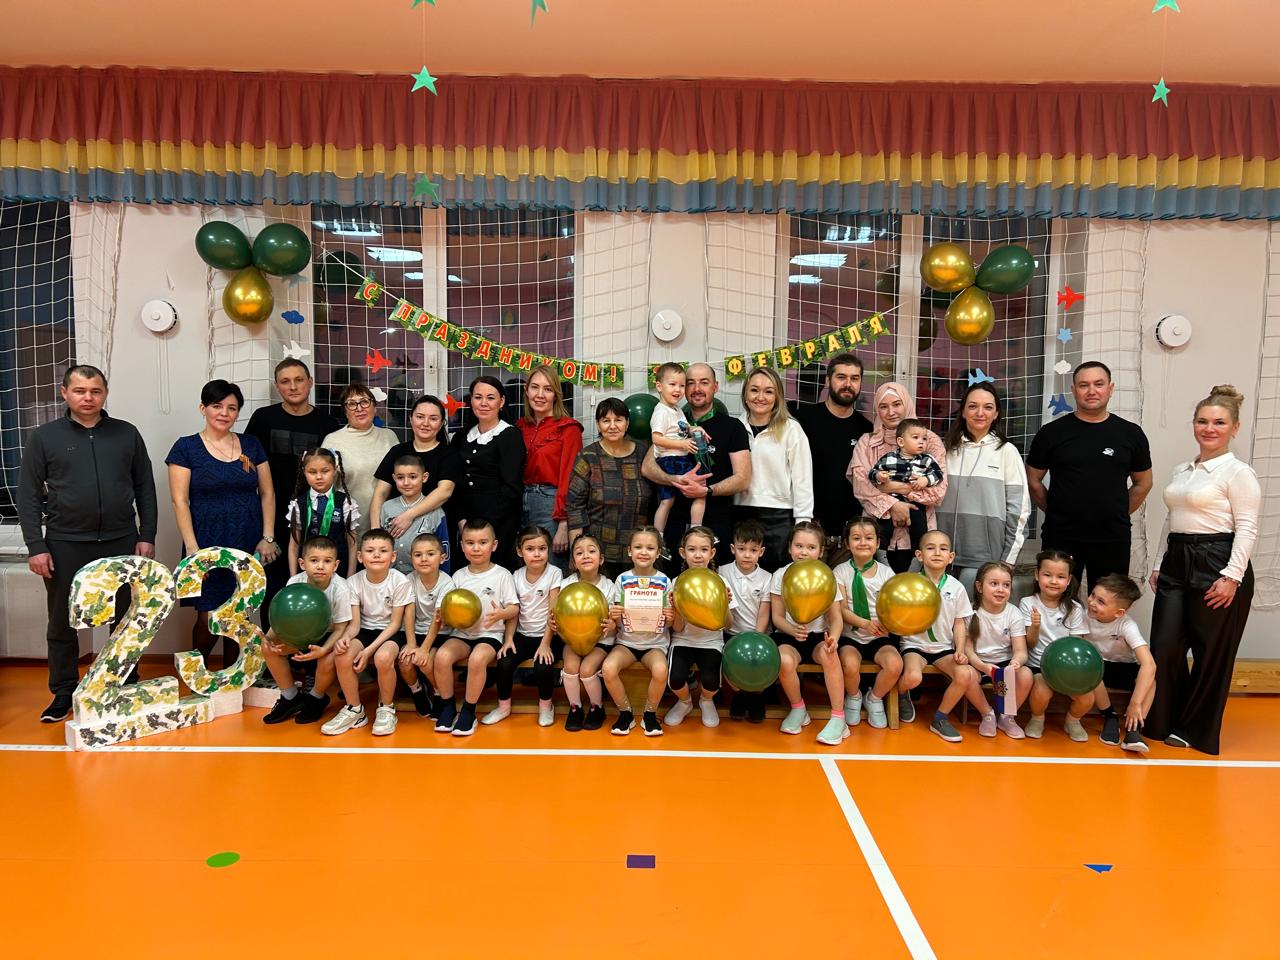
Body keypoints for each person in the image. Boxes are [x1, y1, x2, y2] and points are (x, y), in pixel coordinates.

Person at [18, 365, 159, 723]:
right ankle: (63, 692)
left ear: (105, 393)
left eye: (95, 391)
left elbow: (144, 486)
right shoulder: (44, 437)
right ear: (64, 393)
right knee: (62, 622)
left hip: (121, 540)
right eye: (80, 390)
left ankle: (122, 684)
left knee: (126, 619)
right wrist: (36, 546)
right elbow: (29, 495)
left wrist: (147, 535)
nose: (87, 397)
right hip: (65, 543)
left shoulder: (126, 433)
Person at [1146, 385, 1259, 755]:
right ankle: (1162, 719)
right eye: (1202, 421)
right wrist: (1160, 563)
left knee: (1210, 654)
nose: (1209, 428)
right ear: (1194, 424)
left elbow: (1247, 527)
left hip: (1218, 561)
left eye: (1219, 422)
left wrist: (1232, 577)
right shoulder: (1183, 470)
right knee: (1165, 645)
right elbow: (1172, 519)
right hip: (1177, 560)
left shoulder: (1238, 473)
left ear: (1234, 428)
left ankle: (1194, 730)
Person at [166, 380, 278, 667]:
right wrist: (192, 548)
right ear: (203, 408)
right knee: (208, 615)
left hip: (246, 539)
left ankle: (233, 679)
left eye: (232, 408)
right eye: (217, 406)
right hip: (205, 542)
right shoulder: (186, 447)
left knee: (239, 614)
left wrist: (267, 537)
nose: (224, 413)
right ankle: (198, 675)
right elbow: (180, 501)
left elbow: (267, 493)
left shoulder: (251, 444)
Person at [1026, 361, 1153, 590]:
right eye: (1084, 385)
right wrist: (1055, 510)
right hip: (1061, 536)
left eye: (1099, 384)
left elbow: (1143, 483)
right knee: (1055, 602)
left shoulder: (1131, 434)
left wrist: (1116, 512)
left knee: (1109, 602)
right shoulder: (1051, 433)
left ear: (1110, 388)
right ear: (1074, 390)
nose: (1091, 391)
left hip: (1112, 537)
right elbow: (1033, 480)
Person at [244, 359, 340, 630]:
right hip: (272, 517)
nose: (293, 386)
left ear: (310, 383)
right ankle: (273, 648)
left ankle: (311, 649)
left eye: (299, 380)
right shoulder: (263, 419)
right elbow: (247, 464)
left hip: (313, 517)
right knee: (273, 585)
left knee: (316, 582)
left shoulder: (327, 423)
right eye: (285, 381)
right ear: (277, 387)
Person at [641, 363, 751, 566]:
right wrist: (676, 480)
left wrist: (706, 491)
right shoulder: (672, 421)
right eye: (690, 383)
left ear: (715, 387)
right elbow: (647, 467)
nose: (697, 388)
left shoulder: (732, 427)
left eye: (704, 382)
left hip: (715, 524)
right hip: (673, 524)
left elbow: (742, 479)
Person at [426, 518, 519, 737]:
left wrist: (502, 613)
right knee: (441, 657)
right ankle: (448, 707)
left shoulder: (502, 575)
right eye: (470, 543)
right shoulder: (458, 576)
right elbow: (448, 607)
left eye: (482, 542)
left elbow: (514, 608)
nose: (476, 548)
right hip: (461, 633)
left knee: (477, 659)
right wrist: (445, 615)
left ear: (494, 545)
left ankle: (468, 711)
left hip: (490, 634)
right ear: (462, 546)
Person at [937, 383, 1031, 592]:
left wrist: (1007, 560)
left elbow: (1019, 512)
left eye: (988, 407)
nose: (980, 413)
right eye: (973, 406)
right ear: (963, 411)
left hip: (984, 558)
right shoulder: (945, 449)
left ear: (996, 414)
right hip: (940, 554)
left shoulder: (1007, 452)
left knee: (972, 611)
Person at [321, 528, 414, 737]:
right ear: (360, 556)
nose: (377, 555)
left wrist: (368, 651)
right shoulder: (353, 582)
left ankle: (386, 708)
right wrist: (345, 639)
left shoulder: (400, 581)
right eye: (370, 551)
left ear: (393, 556)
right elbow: (354, 626)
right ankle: (355, 710)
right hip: (364, 629)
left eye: (383, 551)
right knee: (342, 655)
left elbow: (395, 624)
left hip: (391, 632)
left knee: (383, 657)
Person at [849, 382, 948, 573]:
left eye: (896, 404)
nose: (891, 412)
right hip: (874, 537)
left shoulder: (930, 441)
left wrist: (892, 488)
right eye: (883, 406)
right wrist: (893, 505)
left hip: (918, 538)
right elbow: (861, 486)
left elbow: (938, 491)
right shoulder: (867, 442)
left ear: (907, 404)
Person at [260, 535, 355, 726]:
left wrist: (324, 650)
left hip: (328, 636)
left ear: (335, 565)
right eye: (314, 560)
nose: (320, 566)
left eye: (327, 561)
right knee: (268, 648)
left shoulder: (341, 589)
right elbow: (283, 617)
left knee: (329, 659)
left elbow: (340, 628)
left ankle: (316, 697)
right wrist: (268, 638)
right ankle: (290, 697)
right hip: (301, 633)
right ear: (302, 564)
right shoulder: (295, 582)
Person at [769, 520, 848, 745]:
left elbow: (836, 618)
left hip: (818, 636)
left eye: (811, 547)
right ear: (790, 548)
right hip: (789, 635)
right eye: (799, 546)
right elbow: (777, 617)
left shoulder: (828, 576)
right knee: (784, 660)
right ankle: (798, 708)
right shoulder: (780, 575)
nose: (804, 552)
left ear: (821, 551)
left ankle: (838, 718)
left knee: (830, 655)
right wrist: (792, 629)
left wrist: (833, 638)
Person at [898, 530, 978, 743]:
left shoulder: (956, 587)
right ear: (919, 555)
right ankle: (901, 694)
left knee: (964, 674)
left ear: (951, 557)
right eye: (930, 548)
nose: (937, 553)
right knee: (913, 677)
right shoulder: (910, 584)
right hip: (915, 644)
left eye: (943, 549)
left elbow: (959, 623)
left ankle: (940, 718)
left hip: (943, 647)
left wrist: (959, 650)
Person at [793, 353, 874, 559]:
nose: (848, 384)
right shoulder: (803, 421)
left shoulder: (866, 430)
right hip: (809, 530)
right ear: (828, 380)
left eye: (854, 378)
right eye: (841, 377)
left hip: (850, 536)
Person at [735, 367, 815, 570]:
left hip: (779, 517)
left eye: (769, 391)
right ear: (745, 394)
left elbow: (803, 479)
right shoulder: (734, 427)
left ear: (777, 397)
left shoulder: (792, 429)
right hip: (740, 513)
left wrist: (802, 524)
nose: (760, 397)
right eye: (754, 390)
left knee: (776, 579)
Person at [566, 398, 654, 578]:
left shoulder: (644, 453)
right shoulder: (588, 456)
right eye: (606, 420)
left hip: (639, 553)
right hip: (597, 555)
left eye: (618, 420)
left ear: (627, 423)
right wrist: (576, 552)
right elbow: (574, 507)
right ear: (598, 425)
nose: (612, 426)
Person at [486, 525, 563, 728]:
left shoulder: (554, 573)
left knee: (542, 666)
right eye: (530, 549)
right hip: (522, 635)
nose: (537, 554)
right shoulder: (516, 575)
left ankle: (546, 706)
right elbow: (514, 611)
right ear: (520, 552)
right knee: (504, 662)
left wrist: (545, 644)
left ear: (548, 550)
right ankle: (503, 707)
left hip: (549, 636)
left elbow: (553, 613)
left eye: (542, 548)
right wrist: (509, 639)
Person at [371, 395, 459, 570]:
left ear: (442, 423)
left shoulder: (449, 454)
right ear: (411, 419)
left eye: (433, 418)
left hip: (432, 535)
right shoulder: (397, 451)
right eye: (420, 417)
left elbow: (445, 491)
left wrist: (408, 516)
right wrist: (376, 533)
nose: (425, 423)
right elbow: (380, 493)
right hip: (397, 538)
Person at [450, 376, 526, 570]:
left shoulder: (510, 435)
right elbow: (456, 481)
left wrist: (486, 528)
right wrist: (462, 520)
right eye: (478, 397)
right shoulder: (461, 436)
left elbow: (512, 488)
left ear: (501, 402)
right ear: (471, 401)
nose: (483, 403)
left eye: (490, 398)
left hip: (499, 522)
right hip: (466, 521)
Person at [604, 526, 673, 736]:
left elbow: (670, 623)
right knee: (608, 668)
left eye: (650, 548)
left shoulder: (665, 581)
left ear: (658, 553)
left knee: (660, 670)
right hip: (626, 643)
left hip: (655, 644)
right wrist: (614, 615)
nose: (644, 552)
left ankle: (649, 714)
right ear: (629, 551)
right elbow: (616, 623)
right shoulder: (621, 580)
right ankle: (625, 713)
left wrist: (671, 617)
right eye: (638, 547)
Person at [834, 518, 901, 730]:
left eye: (869, 538)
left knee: (895, 664)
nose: (863, 542)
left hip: (879, 636)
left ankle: (874, 698)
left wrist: (887, 624)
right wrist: (865, 624)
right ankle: (854, 695)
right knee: (849, 664)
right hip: (851, 636)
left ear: (878, 543)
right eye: (856, 538)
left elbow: (895, 608)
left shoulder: (887, 573)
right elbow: (841, 609)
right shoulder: (840, 572)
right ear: (847, 544)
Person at [517, 365, 583, 571]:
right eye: (535, 387)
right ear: (526, 390)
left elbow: (569, 478)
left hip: (551, 504)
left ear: (556, 395)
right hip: (519, 502)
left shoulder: (568, 429)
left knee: (552, 567)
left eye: (547, 389)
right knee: (525, 567)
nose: (540, 395)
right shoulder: (519, 427)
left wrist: (563, 523)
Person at [1022, 549, 1091, 742]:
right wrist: (1035, 626)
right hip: (1039, 665)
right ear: (1037, 575)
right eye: (1047, 575)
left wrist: (1071, 670)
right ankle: (1037, 718)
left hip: (1067, 668)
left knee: (1087, 698)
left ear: (1068, 580)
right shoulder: (1028, 603)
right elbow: (1029, 644)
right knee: (1041, 691)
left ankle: (1073, 721)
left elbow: (1078, 644)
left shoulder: (1075, 608)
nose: (1053, 581)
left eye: (1060, 577)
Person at [1085, 574, 1157, 753]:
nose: (1092, 602)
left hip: (1122, 666)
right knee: (1090, 669)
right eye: (1093, 595)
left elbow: (1149, 665)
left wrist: (1135, 703)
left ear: (1119, 613)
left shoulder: (1127, 625)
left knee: (1151, 681)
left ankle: (1134, 729)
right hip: (1096, 666)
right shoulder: (1081, 616)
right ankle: (1110, 717)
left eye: (1101, 601)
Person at [664, 526, 727, 728]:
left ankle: (706, 701)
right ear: (683, 553)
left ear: (712, 553)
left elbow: (727, 624)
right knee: (674, 679)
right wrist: (676, 607)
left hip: (711, 642)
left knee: (711, 682)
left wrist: (725, 605)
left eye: (704, 549)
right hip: (683, 640)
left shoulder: (720, 581)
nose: (698, 555)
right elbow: (677, 628)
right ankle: (685, 702)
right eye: (692, 549)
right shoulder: (676, 583)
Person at [556, 533, 619, 731]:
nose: (585, 556)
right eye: (579, 553)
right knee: (570, 667)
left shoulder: (609, 586)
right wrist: (554, 622)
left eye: (591, 551)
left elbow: (615, 620)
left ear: (601, 559)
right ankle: (575, 708)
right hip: (572, 640)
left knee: (586, 670)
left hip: (601, 640)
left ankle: (596, 707)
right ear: (573, 562)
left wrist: (612, 625)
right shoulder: (566, 584)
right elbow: (558, 613)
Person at [964, 561, 1031, 740]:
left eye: (1006, 585)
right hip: (979, 664)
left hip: (1004, 665)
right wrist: (983, 666)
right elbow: (967, 649)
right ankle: (987, 714)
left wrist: (1016, 662)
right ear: (979, 586)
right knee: (965, 675)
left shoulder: (1014, 613)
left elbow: (1021, 651)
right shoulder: (970, 612)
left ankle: (1007, 717)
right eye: (994, 584)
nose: (1001, 590)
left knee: (1026, 675)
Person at [321, 383, 397, 536]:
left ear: (374, 407)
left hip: (387, 524)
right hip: (347, 526)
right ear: (345, 411)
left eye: (364, 402)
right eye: (352, 404)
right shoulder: (332, 441)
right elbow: (324, 487)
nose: (359, 408)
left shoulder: (389, 436)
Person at [720, 519, 773, 723]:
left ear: (761, 552)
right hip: (731, 633)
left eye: (753, 550)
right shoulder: (722, 572)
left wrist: (756, 638)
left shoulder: (766, 577)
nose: (747, 555)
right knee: (726, 661)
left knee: (757, 662)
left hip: (759, 635)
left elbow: (764, 613)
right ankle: (741, 694)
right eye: (742, 549)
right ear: (733, 549)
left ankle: (755, 696)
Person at [649, 362, 709, 536]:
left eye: (682, 385)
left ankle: (694, 531)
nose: (678, 390)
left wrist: (695, 429)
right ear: (659, 386)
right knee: (673, 499)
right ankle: (663, 537)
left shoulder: (676, 410)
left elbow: (684, 427)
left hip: (679, 458)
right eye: (672, 384)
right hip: (670, 460)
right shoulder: (661, 412)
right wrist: (682, 444)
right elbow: (656, 439)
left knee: (681, 497)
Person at [868, 418, 944, 553]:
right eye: (915, 437)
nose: (921, 442)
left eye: (924, 439)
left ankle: (917, 557)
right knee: (883, 528)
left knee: (920, 530)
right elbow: (872, 473)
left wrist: (926, 480)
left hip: (916, 503)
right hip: (891, 502)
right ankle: (881, 554)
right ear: (901, 442)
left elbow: (938, 474)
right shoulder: (889, 458)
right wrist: (879, 476)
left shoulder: (926, 460)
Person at [285, 447, 359, 578]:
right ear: (304, 471)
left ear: (335, 469)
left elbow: (352, 544)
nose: (319, 477)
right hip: (308, 573)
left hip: (338, 572)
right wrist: (293, 578)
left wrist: (350, 578)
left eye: (325, 471)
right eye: (312, 472)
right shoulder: (298, 504)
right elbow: (294, 545)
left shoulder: (346, 503)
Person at [403, 532, 452, 720]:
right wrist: (411, 644)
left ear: (442, 557)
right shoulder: (409, 580)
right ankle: (417, 691)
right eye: (418, 555)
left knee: (426, 662)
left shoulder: (447, 583)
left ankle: (439, 692)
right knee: (405, 661)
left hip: (439, 633)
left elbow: (437, 619)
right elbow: (408, 613)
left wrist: (423, 649)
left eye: (430, 554)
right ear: (411, 558)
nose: (424, 559)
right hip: (415, 631)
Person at [381, 455, 445, 575]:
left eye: (413, 477)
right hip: (391, 575)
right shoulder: (386, 507)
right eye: (400, 477)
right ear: (394, 478)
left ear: (424, 477)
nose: (406, 482)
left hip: (423, 576)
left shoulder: (435, 511)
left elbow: (443, 547)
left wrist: (442, 575)